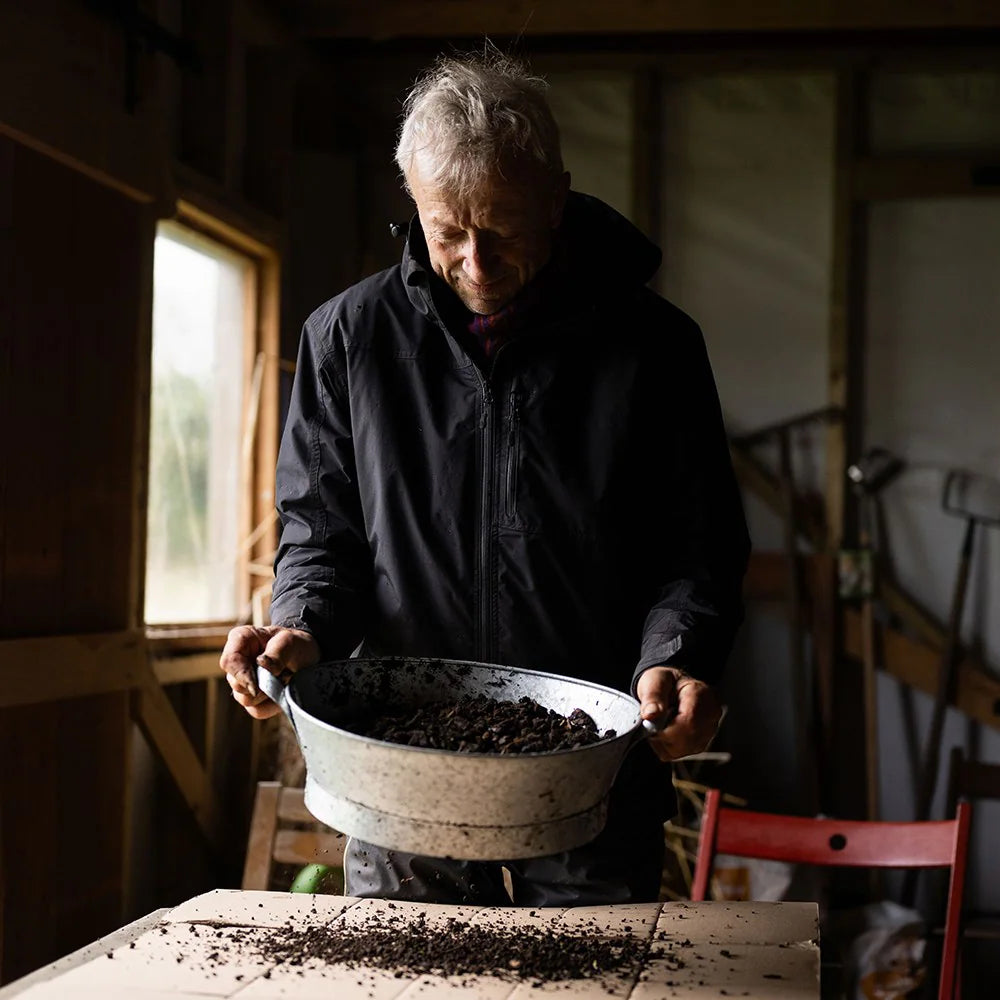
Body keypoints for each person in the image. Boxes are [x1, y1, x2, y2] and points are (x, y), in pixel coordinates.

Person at [220, 49, 750, 906]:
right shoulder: (346, 341)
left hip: (590, 769)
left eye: (503, 228)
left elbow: (698, 548)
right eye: (447, 231)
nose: (475, 260)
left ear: (558, 196)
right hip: (401, 770)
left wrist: (678, 659)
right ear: (414, 206)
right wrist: (302, 628)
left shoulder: (653, 347)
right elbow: (322, 536)